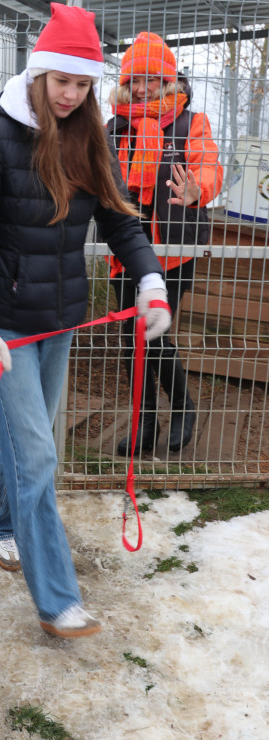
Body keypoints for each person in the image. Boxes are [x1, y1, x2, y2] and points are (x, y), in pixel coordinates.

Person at [0, 4, 172, 638]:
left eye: (82, 83)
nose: (72, 94)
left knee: (31, 439)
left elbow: (121, 221)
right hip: (5, 326)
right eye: (61, 81)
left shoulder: (89, 133)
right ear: (40, 74)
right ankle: (56, 600)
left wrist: (151, 282)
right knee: (41, 454)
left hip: (60, 319)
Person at [106, 32, 224, 455]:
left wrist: (199, 190)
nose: (141, 88)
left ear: (169, 79)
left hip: (174, 252)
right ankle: (145, 421)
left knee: (151, 332)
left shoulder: (192, 123)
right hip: (127, 251)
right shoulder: (114, 127)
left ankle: (182, 408)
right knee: (129, 336)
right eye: (134, 79)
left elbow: (207, 162)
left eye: (151, 79)